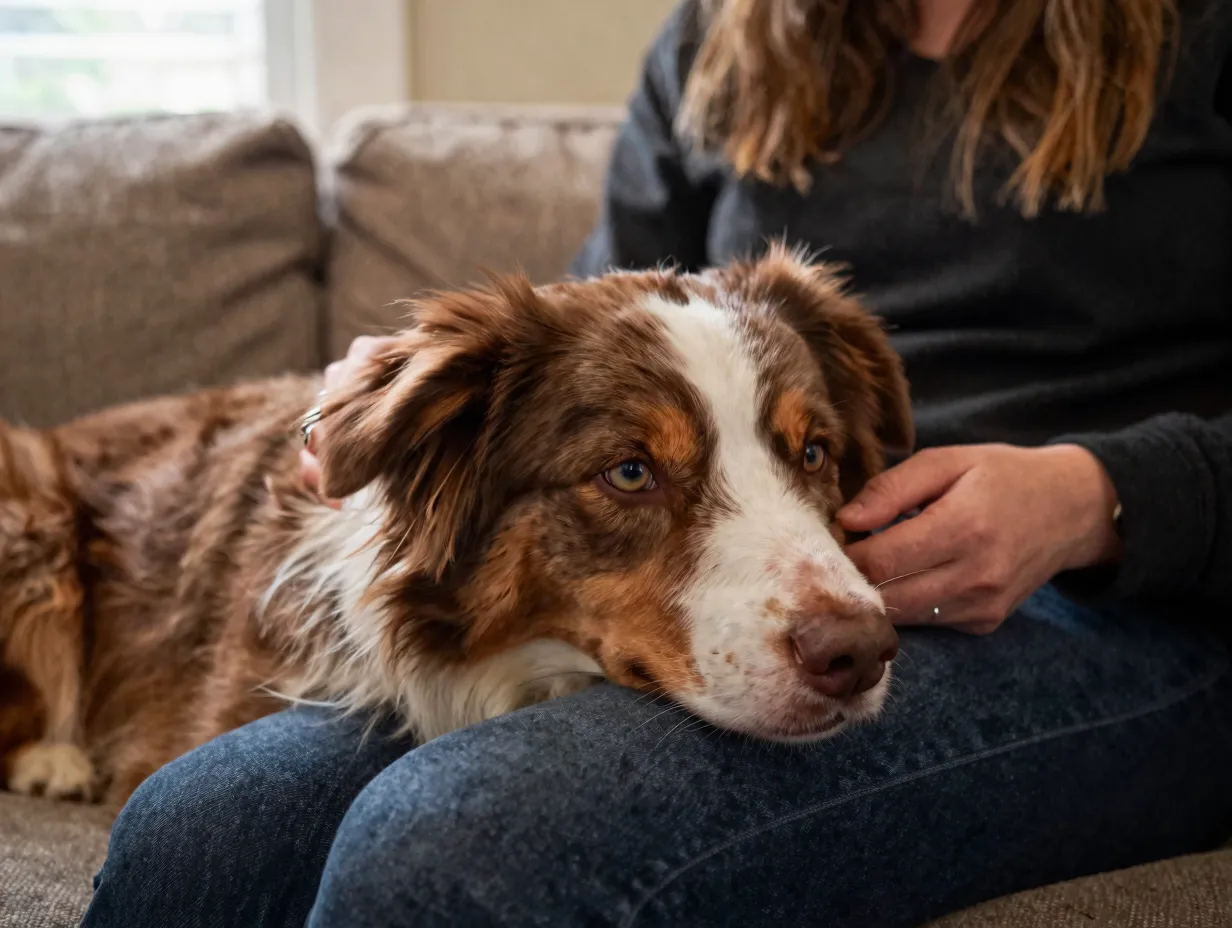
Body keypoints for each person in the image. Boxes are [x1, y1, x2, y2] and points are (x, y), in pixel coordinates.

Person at [83, 1, 1232, 925]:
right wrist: (419, 382)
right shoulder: (720, 35)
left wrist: (1099, 495)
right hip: (838, 560)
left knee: (457, 838)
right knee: (204, 821)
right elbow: (610, 332)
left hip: (1121, 605)